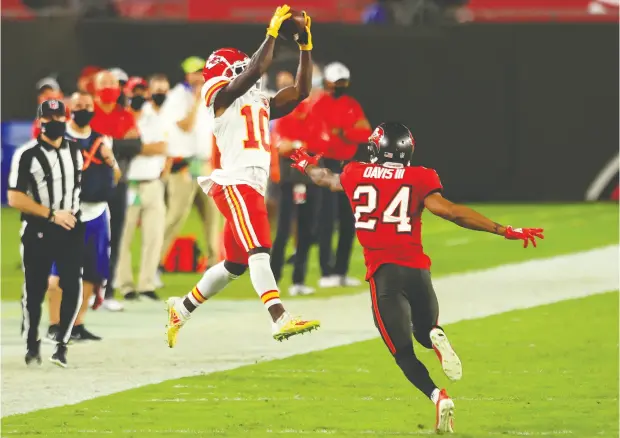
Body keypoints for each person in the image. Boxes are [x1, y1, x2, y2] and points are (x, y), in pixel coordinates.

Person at [290, 122, 545, 433]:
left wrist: (306, 164)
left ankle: (438, 396)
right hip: (416, 271)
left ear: (376, 148)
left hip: (383, 274)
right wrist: (504, 230)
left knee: (402, 353)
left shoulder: (356, 172)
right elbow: (451, 211)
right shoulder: (420, 176)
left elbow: (326, 179)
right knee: (426, 331)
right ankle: (436, 339)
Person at [165, 5, 320, 347]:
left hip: (251, 182)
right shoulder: (218, 97)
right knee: (260, 249)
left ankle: (183, 307)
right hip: (236, 182)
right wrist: (271, 34)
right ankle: (279, 317)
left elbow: (300, 91)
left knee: (235, 263)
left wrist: (305, 49)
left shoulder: (258, 101)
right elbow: (253, 70)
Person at [7, 99, 87, 367]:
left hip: (70, 228)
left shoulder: (76, 151)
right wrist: (52, 214)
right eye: (49, 118)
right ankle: (32, 341)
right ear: (40, 121)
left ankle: (62, 344)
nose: (54, 122)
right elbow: (14, 197)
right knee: (35, 287)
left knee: (72, 285)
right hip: (39, 228)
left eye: (58, 117)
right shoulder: (27, 154)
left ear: (66, 119)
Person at [45, 92, 121, 342]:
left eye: (87, 106)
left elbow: (116, 175)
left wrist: (111, 165)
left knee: (92, 273)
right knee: (57, 274)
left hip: (97, 212)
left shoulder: (101, 140)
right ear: (69, 109)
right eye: (79, 106)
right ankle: (55, 324)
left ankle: (77, 324)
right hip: (67, 212)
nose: (84, 110)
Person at [91, 70, 152, 311]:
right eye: (103, 83)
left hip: (117, 183)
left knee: (114, 238)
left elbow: (135, 145)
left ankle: (106, 293)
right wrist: (116, 144)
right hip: (87, 185)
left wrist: (106, 143)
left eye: (112, 84)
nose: (108, 87)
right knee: (85, 238)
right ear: (95, 87)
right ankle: (82, 290)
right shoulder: (88, 113)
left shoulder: (124, 115)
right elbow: (83, 144)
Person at [309, 61, 372, 288]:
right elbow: (318, 138)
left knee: (348, 220)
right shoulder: (320, 105)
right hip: (329, 165)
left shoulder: (351, 104)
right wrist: (345, 134)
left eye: (343, 82)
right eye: (337, 83)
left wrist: (344, 132)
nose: (340, 86)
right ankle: (327, 272)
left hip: (349, 167)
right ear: (328, 83)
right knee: (327, 219)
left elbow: (366, 132)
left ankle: (341, 271)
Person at [269, 68, 324, 296]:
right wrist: (302, 145)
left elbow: (319, 145)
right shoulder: (287, 115)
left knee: (306, 230)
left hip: (310, 180)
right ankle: (272, 281)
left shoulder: (315, 115)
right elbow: (281, 147)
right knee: (283, 231)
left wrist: (297, 145)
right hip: (290, 180)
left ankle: (298, 280)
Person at [117, 74, 168, 301]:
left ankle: (146, 284)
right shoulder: (120, 117)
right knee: (122, 237)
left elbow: (161, 147)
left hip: (152, 182)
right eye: (133, 92)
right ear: (127, 93)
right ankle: (126, 286)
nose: (137, 96)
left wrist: (134, 146)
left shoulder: (154, 116)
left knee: (154, 236)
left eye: (141, 92)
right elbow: (117, 148)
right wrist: (138, 147)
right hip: (128, 184)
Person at [157, 56, 206, 280]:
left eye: (202, 71)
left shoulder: (208, 96)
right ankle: (156, 262)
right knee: (175, 216)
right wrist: (196, 102)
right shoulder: (176, 97)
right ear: (187, 74)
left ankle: (218, 264)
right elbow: (185, 127)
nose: (200, 76)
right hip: (183, 165)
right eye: (196, 72)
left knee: (214, 217)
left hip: (205, 164)